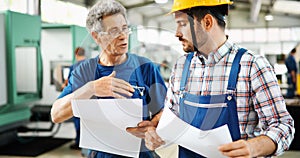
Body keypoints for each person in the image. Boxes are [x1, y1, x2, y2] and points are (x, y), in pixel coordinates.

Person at [144, 0, 295, 157]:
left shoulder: (252, 66)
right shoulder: (181, 66)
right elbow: (172, 117)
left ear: (207, 22)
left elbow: (283, 125)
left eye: (182, 24)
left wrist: (254, 147)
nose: (176, 33)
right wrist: (155, 132)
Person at [50, 0, 166, 157]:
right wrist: (91, 88)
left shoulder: (145, 67)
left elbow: (164, 111)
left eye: (125, 29)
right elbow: (56, 114)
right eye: (113, 31)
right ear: (96, 37)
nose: (123, 36)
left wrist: (153, 125)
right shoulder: (84, 71)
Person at [61, 47, 86, 150]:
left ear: (76, 54)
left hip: (77, 97)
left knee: (78, 120)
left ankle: (78, 142)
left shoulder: (74, 66)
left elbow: (68, 83)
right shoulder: (91, 65)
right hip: (90, 98)